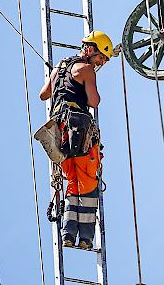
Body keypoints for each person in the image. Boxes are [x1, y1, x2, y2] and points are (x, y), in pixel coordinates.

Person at [39, 30, 114, 250]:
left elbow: (44, 95)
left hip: (59, 133)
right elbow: (94, 101)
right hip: (78, 131)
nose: (100, 63)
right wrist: (87, 80)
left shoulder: (60, 67)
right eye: (100, 57)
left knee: (72, 183)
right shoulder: (87, 69)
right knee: (88, 183)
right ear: (90, 50)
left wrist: (57, 78)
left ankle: (68, 235)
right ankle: (86, 238)